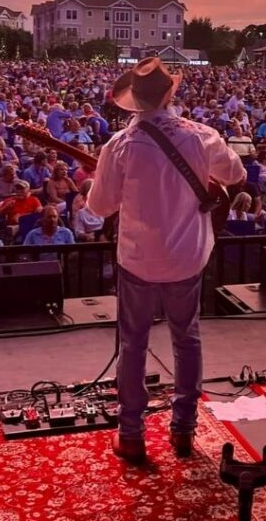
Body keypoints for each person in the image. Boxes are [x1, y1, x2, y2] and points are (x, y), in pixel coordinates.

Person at [87, 57, 245, 464]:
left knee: (133, 343)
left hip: (138, 259)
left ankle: (132, 434)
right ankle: (183, 430)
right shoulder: (202, 136)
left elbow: (100, 207)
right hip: (187, 257)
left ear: (133, 101)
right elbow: (235, 173)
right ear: (171, 93)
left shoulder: (118, 146)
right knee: (186, 339)